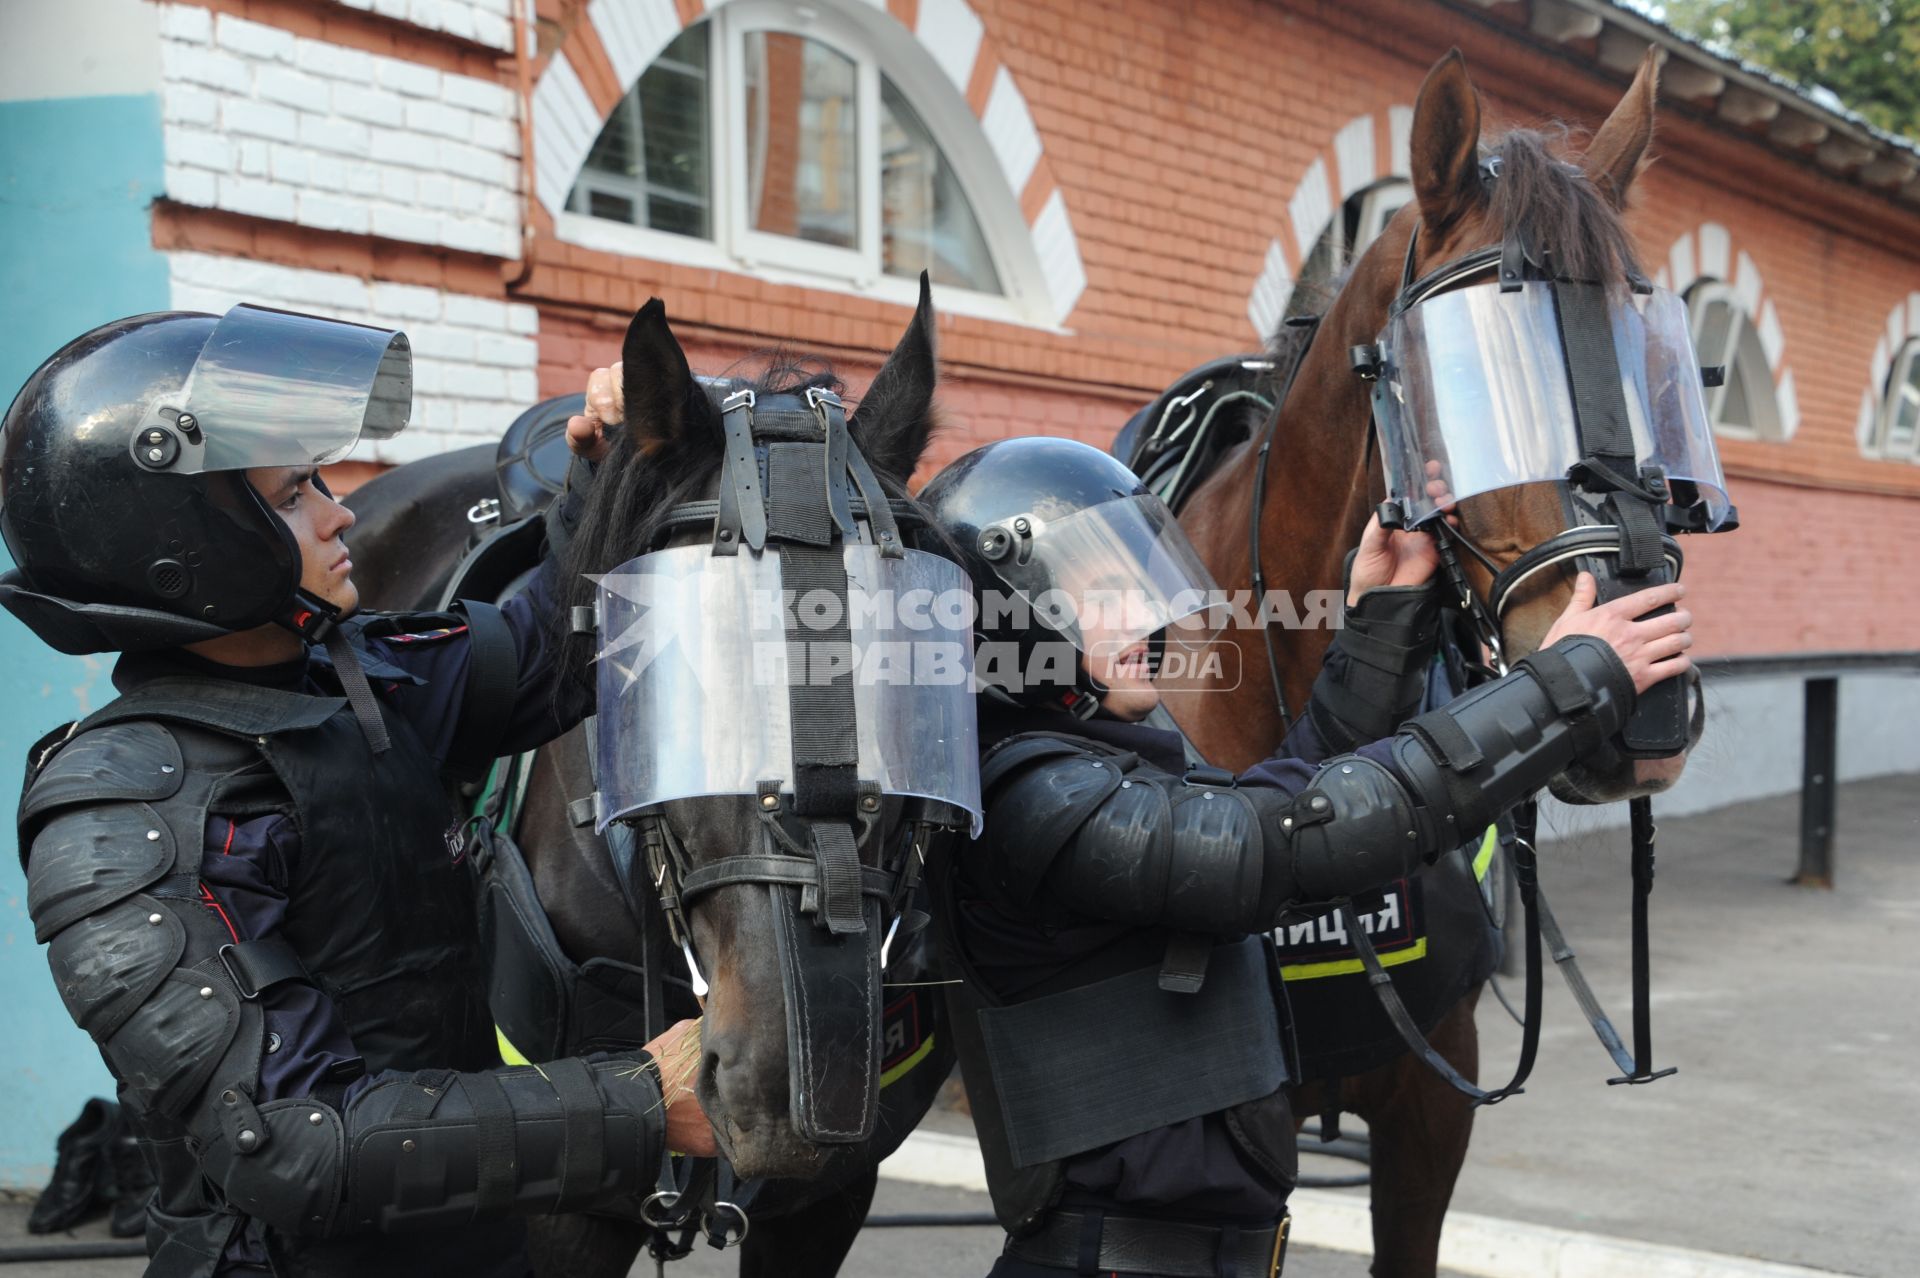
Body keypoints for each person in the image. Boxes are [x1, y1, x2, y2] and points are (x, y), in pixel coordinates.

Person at [1, 305, 713, 1278]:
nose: (339, 514)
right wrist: (640, 1098)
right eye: (295, 493)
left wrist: (617, 467)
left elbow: (561, 646)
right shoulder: (121, 811)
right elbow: (296, 1143)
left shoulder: (356, 684)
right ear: (185, 542)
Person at [916, 436, 1693, 1278]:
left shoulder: (1101, 763)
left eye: (1137, 579)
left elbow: (1293, 794)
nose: (1143, 612)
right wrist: (1562, 689)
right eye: (1101, 595)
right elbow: (1279, 847)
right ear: (1008, 617)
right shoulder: (1029, 797)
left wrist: (1382, 618)